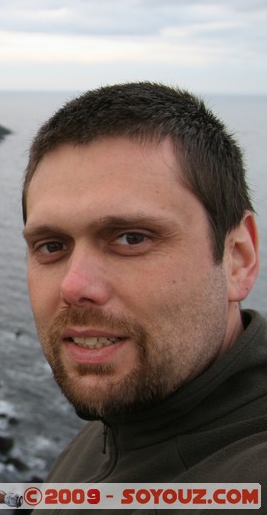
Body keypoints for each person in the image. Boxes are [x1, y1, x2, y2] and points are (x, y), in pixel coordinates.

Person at [21, 83, 266, 492]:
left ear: (238, 258)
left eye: (132, 238)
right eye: (51, 246)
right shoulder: (110, 434)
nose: (74, 285)